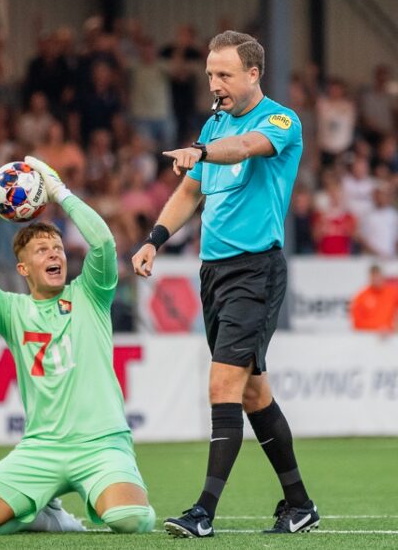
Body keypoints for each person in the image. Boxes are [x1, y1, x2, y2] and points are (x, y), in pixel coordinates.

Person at [131, 30, 319, 538]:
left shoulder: (279, 120)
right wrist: (154, 239)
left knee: (223, 385)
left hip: (255, 270)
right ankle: (299, 505)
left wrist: (202, 150)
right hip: (213, 274)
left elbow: (242, 149)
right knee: (254, 393)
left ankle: (202, 513)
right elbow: (188, 192)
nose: (215, 84)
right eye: (211, 74)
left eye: (225, 74)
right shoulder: (212, 126)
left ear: (253, 73)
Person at [0, 156, 156, 536]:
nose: (55, 254)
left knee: (129, 519)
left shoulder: (90, 294)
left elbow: (104, 242)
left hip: (101, 444)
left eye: (57, 248)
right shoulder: (11, 310)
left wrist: (60, 192)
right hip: (40, 449)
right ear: (23, 269)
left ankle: (98, 493)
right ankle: (47, 515)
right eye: (42, 250)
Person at [350, 265, 398, 333]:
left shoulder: (393, 293)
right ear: (369, 278)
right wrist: (378, 329)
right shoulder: (361, 297)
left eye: (378, 277)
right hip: (369, 337)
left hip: (391, 336)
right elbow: (357, 323)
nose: (376, 280)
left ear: (383, 277)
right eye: (373, 277)